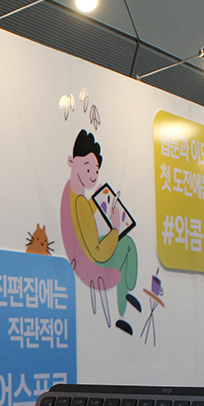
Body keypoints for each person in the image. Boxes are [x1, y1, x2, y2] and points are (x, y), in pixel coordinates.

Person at [61, 130, 140, 333]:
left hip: (79, 253)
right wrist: (115, 229)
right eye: (88, 168)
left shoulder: (72, 194)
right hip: (90, 261)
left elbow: (82, 218)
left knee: (122, 240)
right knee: (127, 244)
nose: (93, 175)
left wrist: (95, 202)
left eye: (96, 171)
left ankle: (126, 296)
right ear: (72, 162)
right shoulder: (79, 202)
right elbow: (98, 253)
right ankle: (127, 296)